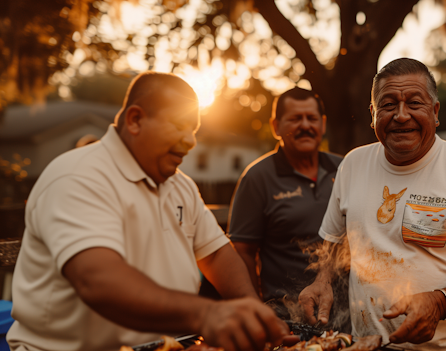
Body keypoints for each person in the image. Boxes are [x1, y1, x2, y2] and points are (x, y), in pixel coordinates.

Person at [7, 72, 288, 351]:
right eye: (180, 125)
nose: (191, 141)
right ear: (135, 120)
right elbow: (97, 280)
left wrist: (253, 312)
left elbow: (215, 254)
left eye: (194, 130)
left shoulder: (181, 186)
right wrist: (207, 314)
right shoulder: (77, 176)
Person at [298, 58, 446, 351]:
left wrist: (439, 303)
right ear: (373, 114)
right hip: (367, 345)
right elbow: (336, 240)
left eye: (414, 103)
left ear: (435, 112)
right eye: (388, 105)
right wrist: (322, 280)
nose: (401, 116)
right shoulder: (353, 164)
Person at [225, 87, 344, 325]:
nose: (304, 125)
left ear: (322, 124)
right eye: (295, 119)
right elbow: (243, 251)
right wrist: (256, 309)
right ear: (276, 126)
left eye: (311, 118)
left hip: (348, 311)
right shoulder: (257, 178)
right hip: (287, 317)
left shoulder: (344, 169)